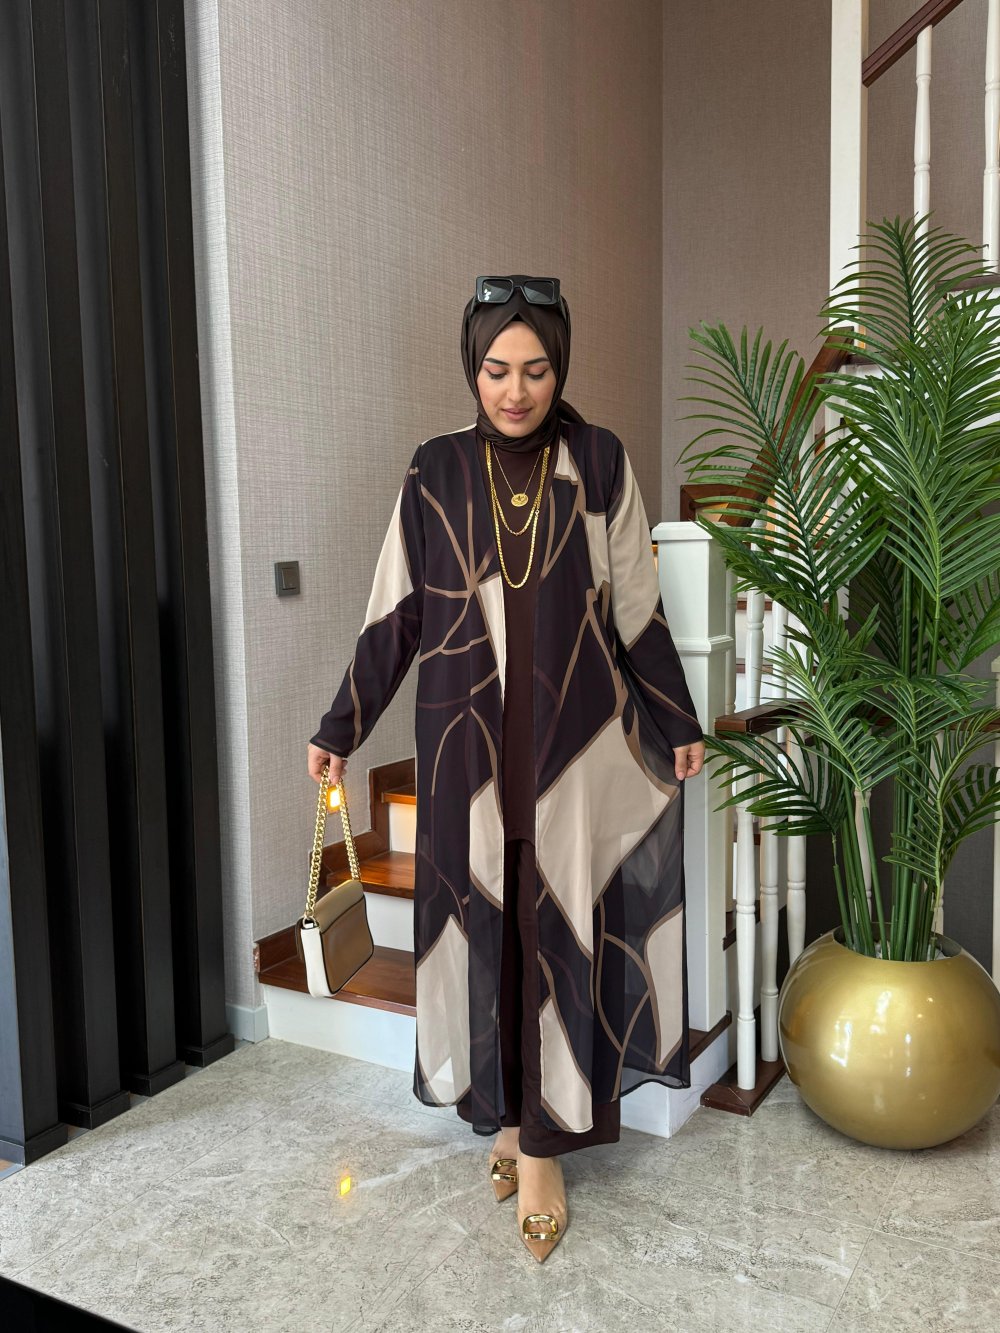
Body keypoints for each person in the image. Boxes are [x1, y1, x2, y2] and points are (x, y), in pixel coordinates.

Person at [307, 275, 705, 1262]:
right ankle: (504, 1115)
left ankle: (540, 1148)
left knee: (556, 934)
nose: (515, 391)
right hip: (466, 754)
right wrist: (342, 724)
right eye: (495, 370)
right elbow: (396, 615)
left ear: (559, 368)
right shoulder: (436, 469)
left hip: (573, 751)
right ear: (471, 367)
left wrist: (677, 715)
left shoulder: (599, 461)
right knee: (485, 932)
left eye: (535, 370)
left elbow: (636, 611)